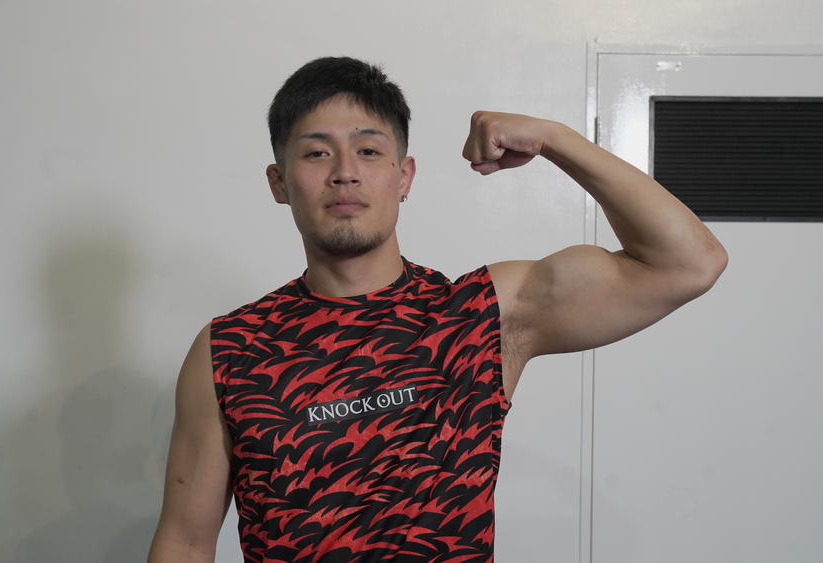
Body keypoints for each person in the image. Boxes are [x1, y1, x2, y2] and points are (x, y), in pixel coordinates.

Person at [147, 56, 728, 562]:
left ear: (404, 177)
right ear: (279, 182)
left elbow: (689, 263)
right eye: (317, 153)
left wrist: (554, 138)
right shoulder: (229, 349)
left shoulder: (481, 316)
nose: (345, 171)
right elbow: (185, 545)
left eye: (369, 151)